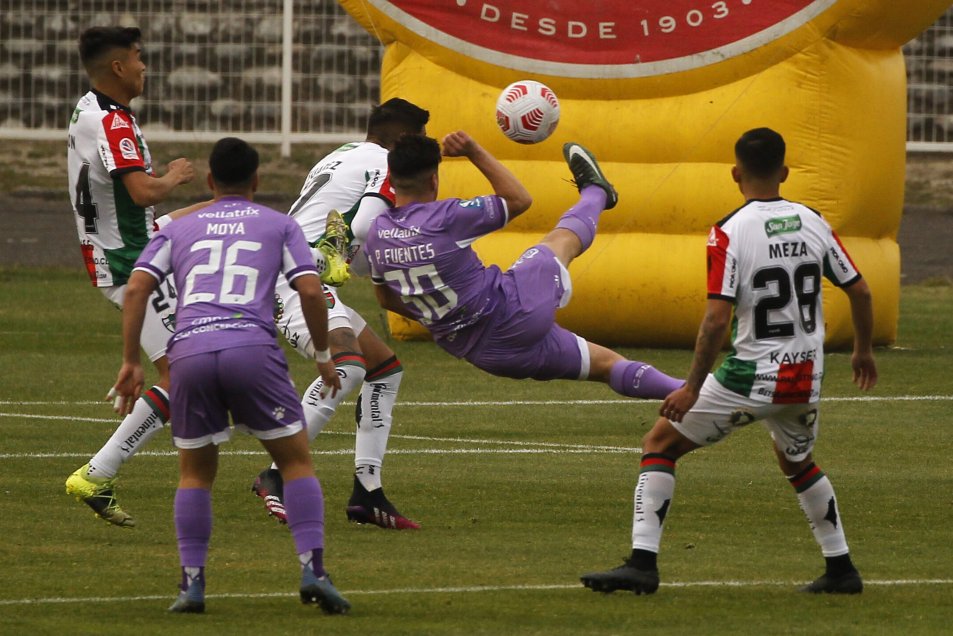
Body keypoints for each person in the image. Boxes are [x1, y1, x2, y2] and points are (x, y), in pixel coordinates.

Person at [580, 127, 877, 595]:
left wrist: (692, 387)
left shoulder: (728, 230)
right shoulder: (813, 219)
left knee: (659, 442)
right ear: (784, 172)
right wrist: (862, 349)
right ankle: (841, 569)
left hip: (751, 375)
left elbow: (717, 320)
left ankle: (641, 563)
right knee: (796, 461)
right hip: (806, 377)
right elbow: (859, 288)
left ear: (735, 173)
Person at [111, 137, 349, 614]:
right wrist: (323, 354)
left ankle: (192, 584)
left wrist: (131, 361)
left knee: (196, 472)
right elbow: (307, 288)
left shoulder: (179, 227)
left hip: (190, 352)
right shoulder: (278, 224)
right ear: (257, 182)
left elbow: (137, 287)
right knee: (295, 461)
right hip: (251, 348)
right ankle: (313, 571)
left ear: (210, 182)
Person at [364, 132, 684, 406]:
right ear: (434, 179)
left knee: (606, 365)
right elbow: (518, 199)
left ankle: (697, 392)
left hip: (487, 354)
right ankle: (598, 192)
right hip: (514, 311)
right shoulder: (446, 217)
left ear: (391, 179)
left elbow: (386, 300)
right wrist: (473, 151)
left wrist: (444, 316)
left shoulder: (377, 233)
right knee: (559, 242)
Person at [252, 98, 430, 530]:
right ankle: (275, 474)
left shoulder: (344, 153)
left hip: (296, 270)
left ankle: (366, 492)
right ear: (404, 139)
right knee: (347, 366)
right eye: (419, 138)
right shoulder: (387, 164)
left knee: (383, 369)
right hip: (297, 277)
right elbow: (367, 228)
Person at [65, 26, 195, 527]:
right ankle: (99, 472)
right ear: (118, 67)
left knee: (220, 211)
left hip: (130, 242)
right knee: (181, 375)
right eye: (139, 58)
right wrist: (174, 177)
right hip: (128, 257)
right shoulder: (114, 123)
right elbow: (142, 192)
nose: (145, 67)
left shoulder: (87, 108)